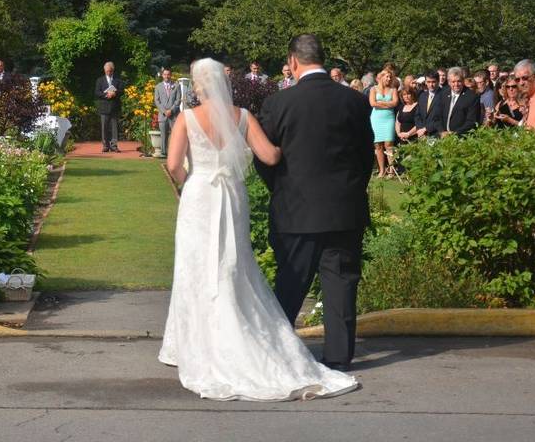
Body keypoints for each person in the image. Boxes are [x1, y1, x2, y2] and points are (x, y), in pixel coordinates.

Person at [160, 56, 357, 401]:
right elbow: (271, 156)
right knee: (233, 266)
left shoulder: (186, 118)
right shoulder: (242, 116)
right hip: (232, 195)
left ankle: (192, 342)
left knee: (194, 266)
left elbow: (173, 164)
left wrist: (187, 183)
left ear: (198, 85)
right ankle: (240, 333)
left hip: (200, 195)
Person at [255, 34, 374, 374]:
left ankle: (275, 352)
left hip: (296, 210)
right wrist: (350, 191)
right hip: (343, 209)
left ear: (292, 61)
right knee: (340, 284)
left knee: (291, 284)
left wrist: (281, 190)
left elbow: (265, 159)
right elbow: (365, 156)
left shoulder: (280, 104)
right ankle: (338, 357)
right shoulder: (353, 101)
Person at [431, 67, 481, 137]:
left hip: (462, 138)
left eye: (459, 81)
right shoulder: (443, 94)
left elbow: (471, 121)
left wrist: (454, 134)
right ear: (448, 82)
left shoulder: (472, 97)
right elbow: (436, 117)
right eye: (453, 81)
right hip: (442, 136)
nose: (456, 84)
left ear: (463, 81)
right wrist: (442, 131)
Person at [369, 70, 398, 178]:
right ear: (381, 77)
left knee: (389, 145)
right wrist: (387, 104)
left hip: (388, 119)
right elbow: (372, 103)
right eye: (387, 77)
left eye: (390, 77)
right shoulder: (373, 89)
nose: (389, 79)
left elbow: (395, 103)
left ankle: (391, 170)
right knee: (378, 145)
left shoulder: (393, 90)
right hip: (376, 119)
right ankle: (381, 170)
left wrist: (380, 103)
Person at [94, 61, 124, 152]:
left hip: (114, 107)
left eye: (110, 71)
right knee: (104, 127)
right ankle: (105, 146)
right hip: (104, 107)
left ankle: (114, 146)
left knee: (114, 127)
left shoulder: (117, 80)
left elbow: (122, 91)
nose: (108, 73)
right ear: (104, 70)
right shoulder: (100, 80)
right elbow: (96, 92)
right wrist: (106, 95)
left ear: (113, 70)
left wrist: (115, 93)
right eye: (107, 71)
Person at [153, 68, 181, 158]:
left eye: (168, 74)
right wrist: (164, 111)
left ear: (171, 75)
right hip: (163, 115)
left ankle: (175, 153)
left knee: (175, 135)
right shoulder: (158, 86)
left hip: (174, 115)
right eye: (165, 74)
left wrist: (171, 110)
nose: (166, 76)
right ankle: (164, 153)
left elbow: (178, 100)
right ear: (162, 75)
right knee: (163, 135)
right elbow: (157, 101)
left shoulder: (176, 86)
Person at [414, 72, 441, 138]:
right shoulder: (422, 95)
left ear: (438, 81)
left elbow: (441, 118)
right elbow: (417, 115)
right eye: (428, 82)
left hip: (436, 133)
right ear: (425, 82)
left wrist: (426, 129)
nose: (431, 85)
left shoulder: (444, 95)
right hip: (422, 135)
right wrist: (420, 129)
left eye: (433, 82)